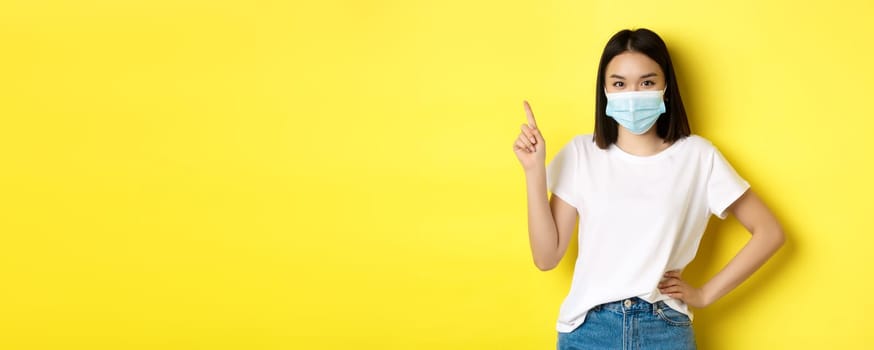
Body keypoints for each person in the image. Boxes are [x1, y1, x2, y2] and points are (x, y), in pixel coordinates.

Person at [512, 28, 785, 350]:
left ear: (665, 86)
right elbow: (546, 257)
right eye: (619, 83)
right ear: (605, 90)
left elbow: (769, 232)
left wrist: (705, 294)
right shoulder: (580, 153)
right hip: (589, 330)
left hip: (664, 329)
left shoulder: (697, 156)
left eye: (647, 82)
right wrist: (534, 172)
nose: (633, 93)